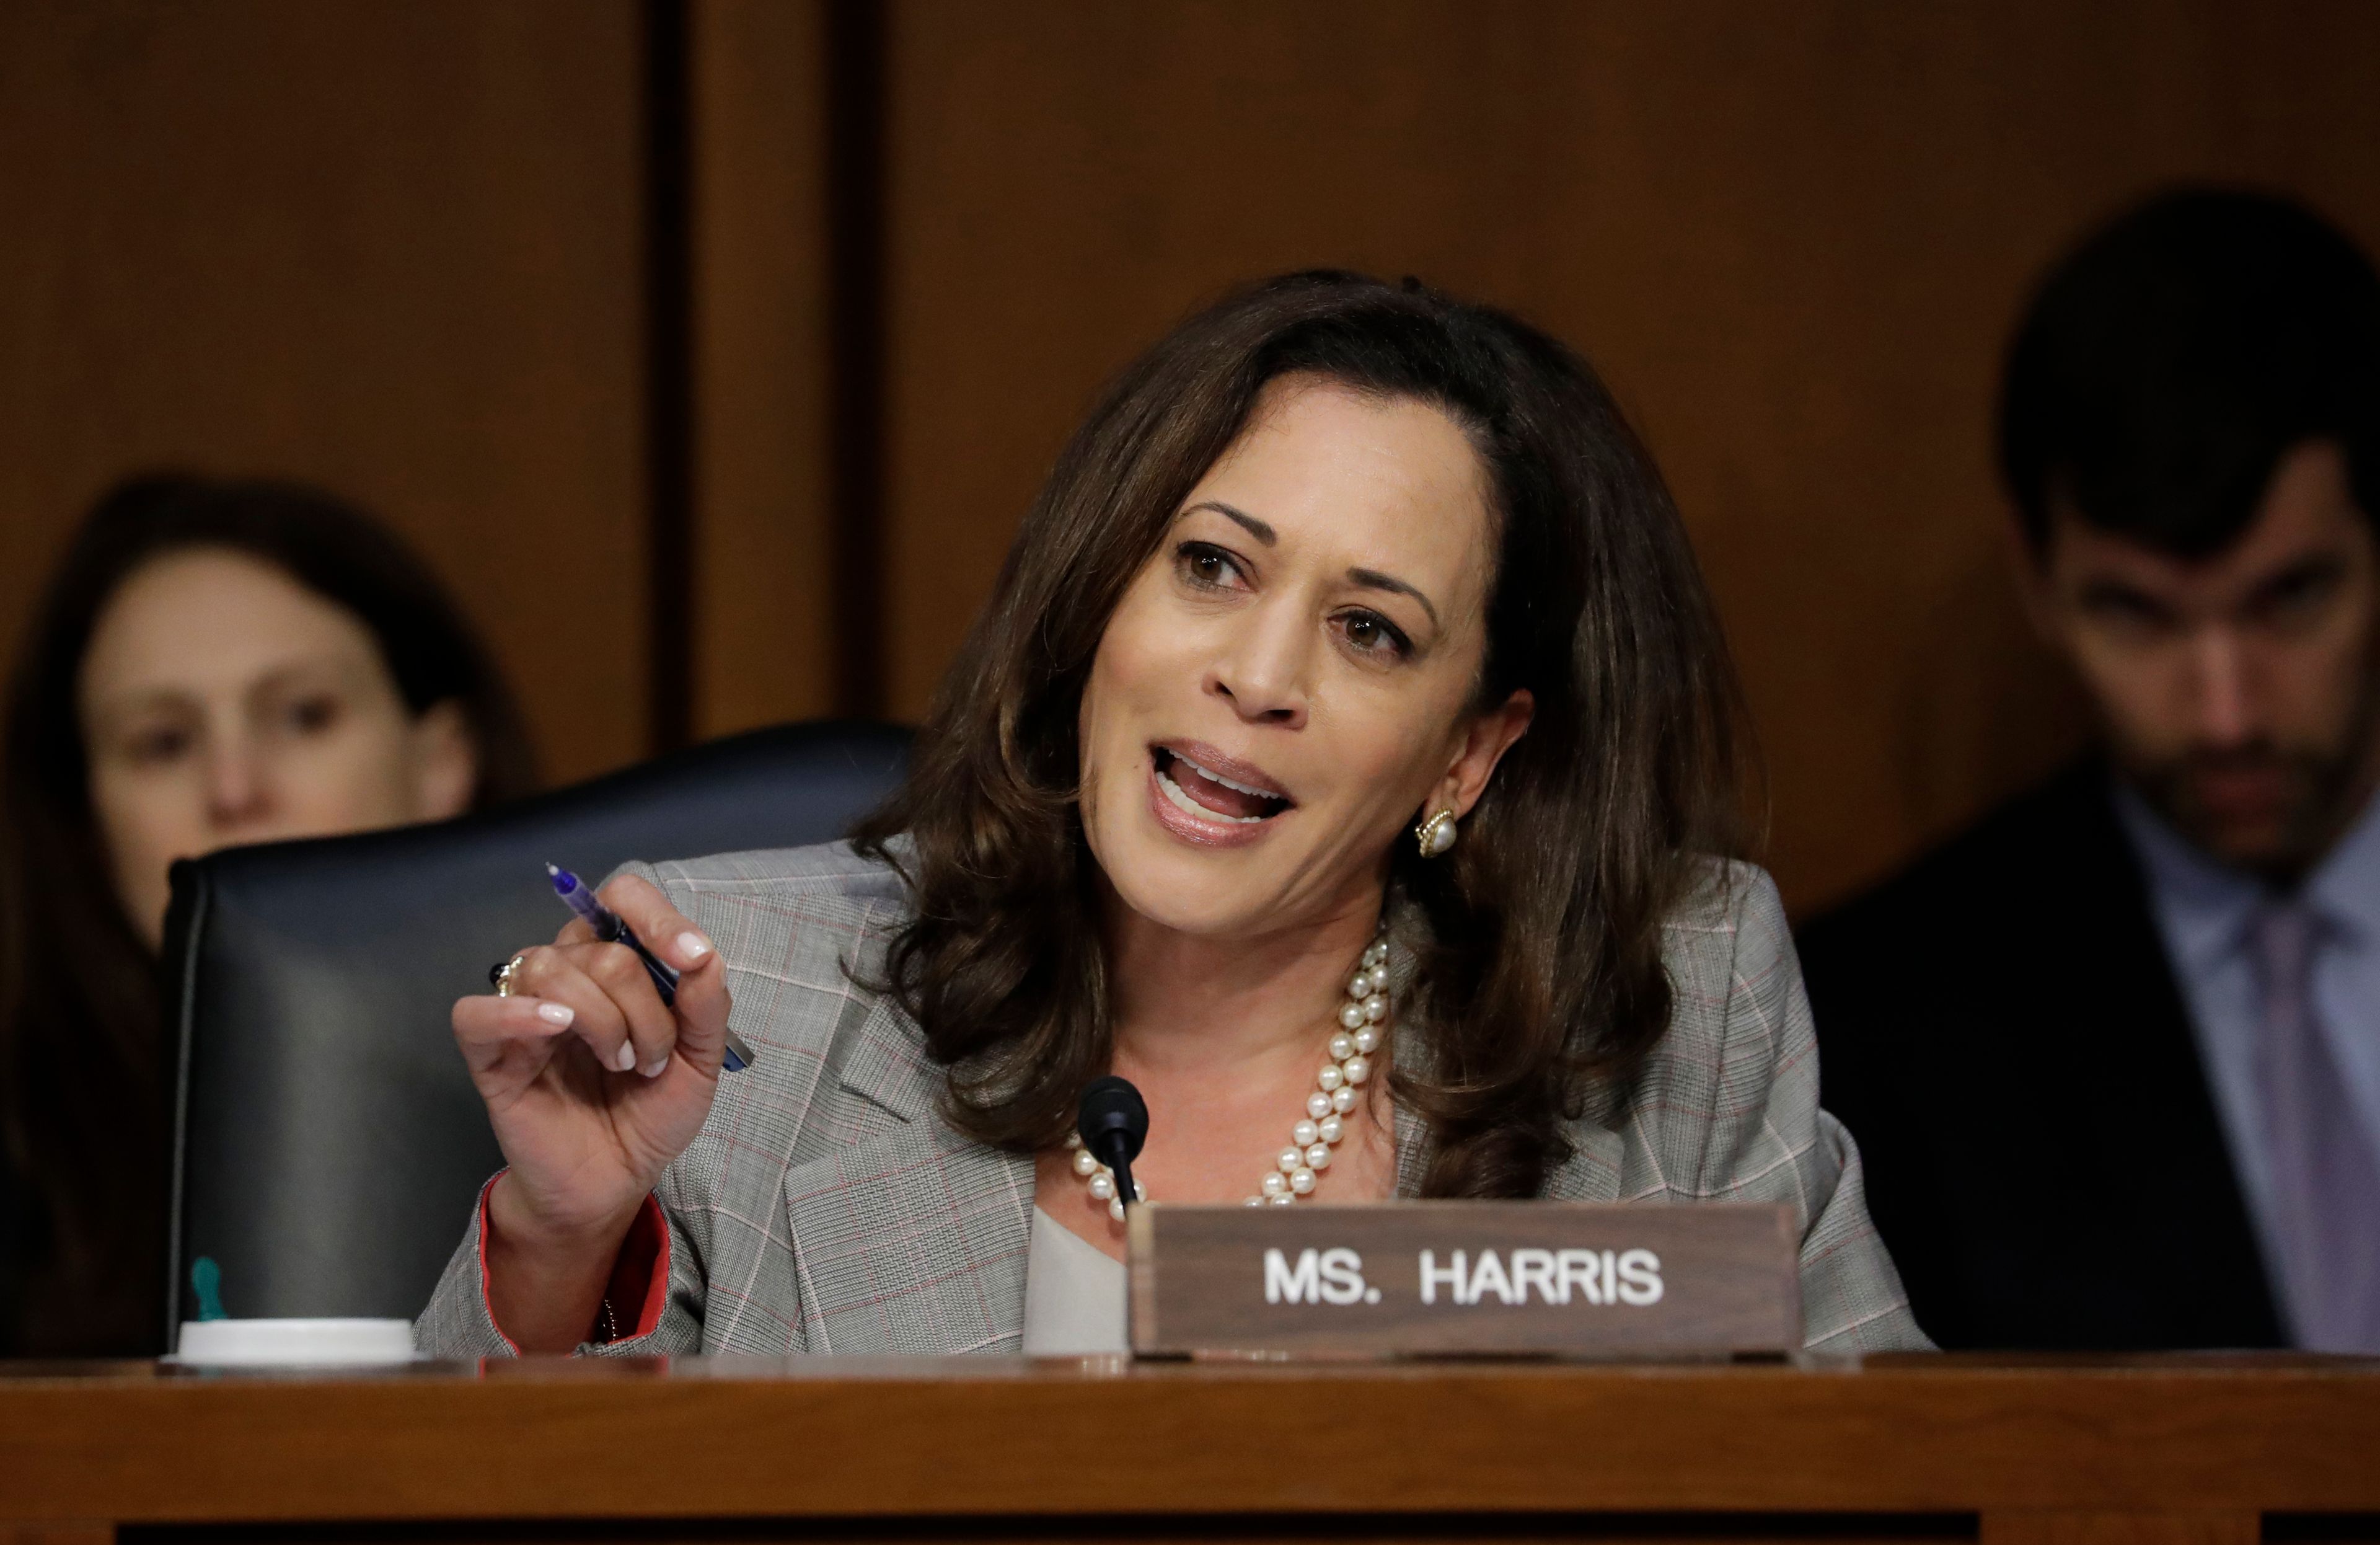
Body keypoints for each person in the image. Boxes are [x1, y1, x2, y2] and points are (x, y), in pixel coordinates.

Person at [420, 272, 1922, 1360]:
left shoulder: (1667, 1016)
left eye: (1371, 632)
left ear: (1468, 752)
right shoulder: (742, 1002)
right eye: (1214, 565)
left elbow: (1898, 1518)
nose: (1257, 676)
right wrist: (562, 1248)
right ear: (1100, 598)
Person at [1799, 189, 2380, 1352]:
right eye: (2138, 616)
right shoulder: (1873, 1034)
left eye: (2291, 599)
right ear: (2037, 577)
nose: (2226, 714)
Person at [0, 473, 537, 1357]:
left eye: (303, 715)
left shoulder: (610, 1101)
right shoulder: (24, 1169)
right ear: (88, 826)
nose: (234, 790)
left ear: (444, 762)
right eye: (163, 743)